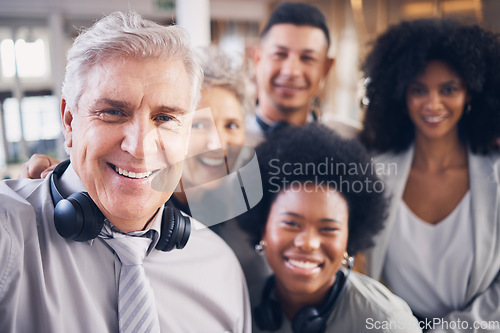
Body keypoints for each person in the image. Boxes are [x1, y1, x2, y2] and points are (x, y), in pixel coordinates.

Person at [0, 11, 251, 332]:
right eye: (113, 112)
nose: (141, 147)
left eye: (165, 118)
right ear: (68, 121)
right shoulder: (9, 236)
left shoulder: (221, 269)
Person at [359, 18, 500, 331]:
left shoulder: (496, 173)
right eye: (419, 90)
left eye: (449, 89)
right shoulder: (373, 170)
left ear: (472, 93)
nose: (433, 104)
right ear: (401, 95)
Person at [239, 123, 421, 332]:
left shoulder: (386, 322)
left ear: (350, 238)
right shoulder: (241, 309)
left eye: (328, 229)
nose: (307, 243)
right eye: (291, 223)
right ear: (263, 228)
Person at [247, 1, 359, 147]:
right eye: (280, 54)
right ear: (257, 58)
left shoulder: (349, 141)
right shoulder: (226, 142)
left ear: (326, 68)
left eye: (307, 58)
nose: (291, 71)